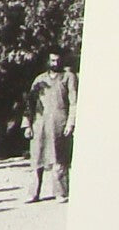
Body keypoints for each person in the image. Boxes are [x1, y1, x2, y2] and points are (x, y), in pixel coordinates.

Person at [23, 52, 78, 203]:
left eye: (58, 60)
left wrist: (71, 123)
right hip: (40, 123)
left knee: (59, 159)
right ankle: (33, 193)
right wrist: (27, 125)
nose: (55, 63)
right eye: (52, 60)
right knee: (36, 158)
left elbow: (73, 102)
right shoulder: (40, 80)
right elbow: (30, 104)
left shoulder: (68, 77)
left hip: (59, 122)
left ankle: (60, 193)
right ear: (47, 61)